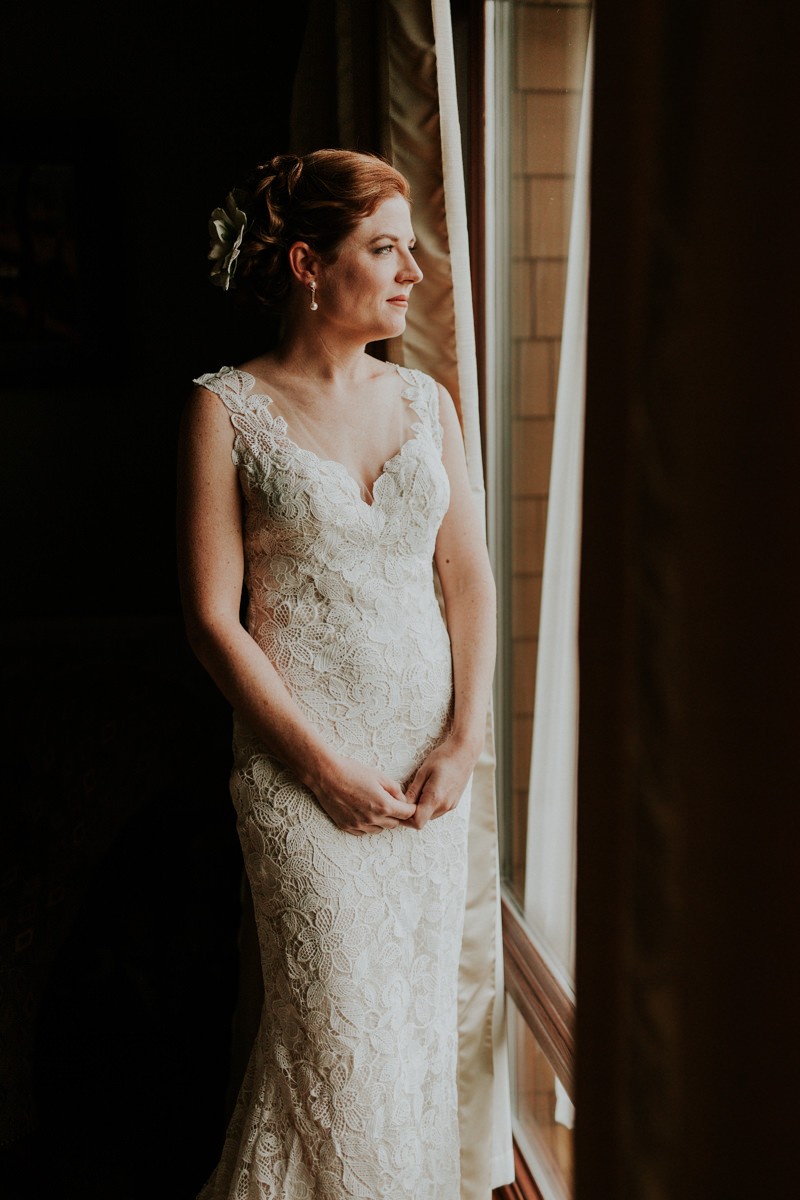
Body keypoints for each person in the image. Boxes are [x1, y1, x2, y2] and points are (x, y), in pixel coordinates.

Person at [176, 149, 497, 1200]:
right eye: (384, 248)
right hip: (297, 778)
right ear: (310, 264)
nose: (412, 272)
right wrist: (314, 767)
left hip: (425, 782)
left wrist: (462, 742)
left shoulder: (427, 403)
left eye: (410, 247)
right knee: (331, 1043)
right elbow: (212, 621)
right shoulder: (225, 409)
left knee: (404, 1049)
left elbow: (469, 581)